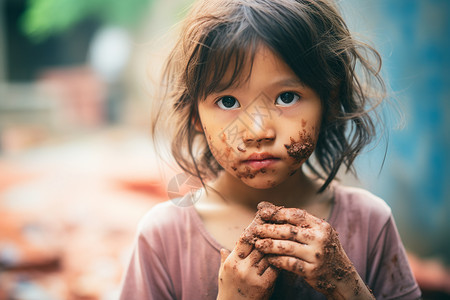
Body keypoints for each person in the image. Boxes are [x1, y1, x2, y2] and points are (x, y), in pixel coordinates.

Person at [119, 0, 421, 299]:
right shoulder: (163, 237)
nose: (257, 132)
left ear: (329, 99)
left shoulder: (370, 222)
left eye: (287, 97)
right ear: (196, 116)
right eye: (228, 101)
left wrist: (344, 284)